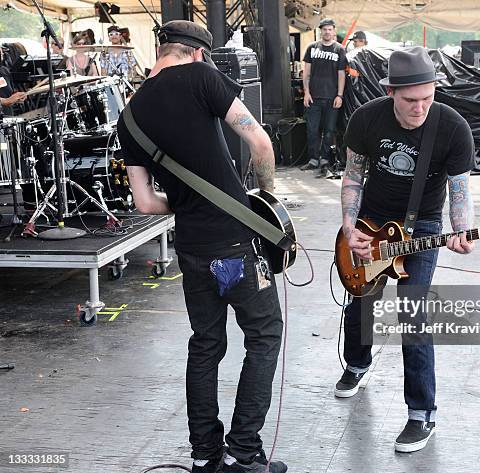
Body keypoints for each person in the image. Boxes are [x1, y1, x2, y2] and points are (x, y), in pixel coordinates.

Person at [116, 20, 287, 473]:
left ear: (162, 50)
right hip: (234, 247)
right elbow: (260, 142)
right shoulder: (201, 77)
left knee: (206, 344)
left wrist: (190, 201)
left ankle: (204, 455)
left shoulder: (129, 115)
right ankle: (244, 451)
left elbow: (146, 202)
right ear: (197, 53)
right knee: (265, 335)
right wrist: (266, 202)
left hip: (191, 250)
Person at [337, 47, 476, 453]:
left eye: (427, 99)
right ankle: (357, 364)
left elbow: (460, 190)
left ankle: (421, 414)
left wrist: (462, 229)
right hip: (372, 222)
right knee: (361, 298)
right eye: (410, 100)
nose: (419, 108)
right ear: (391, 92)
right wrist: (350, 228)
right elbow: (352, 176)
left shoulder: (452, 127)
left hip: (423, 226)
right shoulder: (367, 118)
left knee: (412, 312)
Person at [300, 17, 347, 175]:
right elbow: (306, 73)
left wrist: (339, 95)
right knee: (312, 130)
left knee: (330, 130)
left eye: (330, 29)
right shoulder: (312, 48)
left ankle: (325, 159)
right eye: (325, 29)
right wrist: (306, 92)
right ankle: (313, 159)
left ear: (334, 31)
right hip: (314, 97)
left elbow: (341, 74)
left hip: (332, 97)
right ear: (321, 31)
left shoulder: (339, 49)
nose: (327, 32)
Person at [0, 47, 26, 116]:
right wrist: (5, 101)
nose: (2, 52)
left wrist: (17, 96)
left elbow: (9, 92)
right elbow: (7, 100)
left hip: (8, 117)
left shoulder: (4, 70)